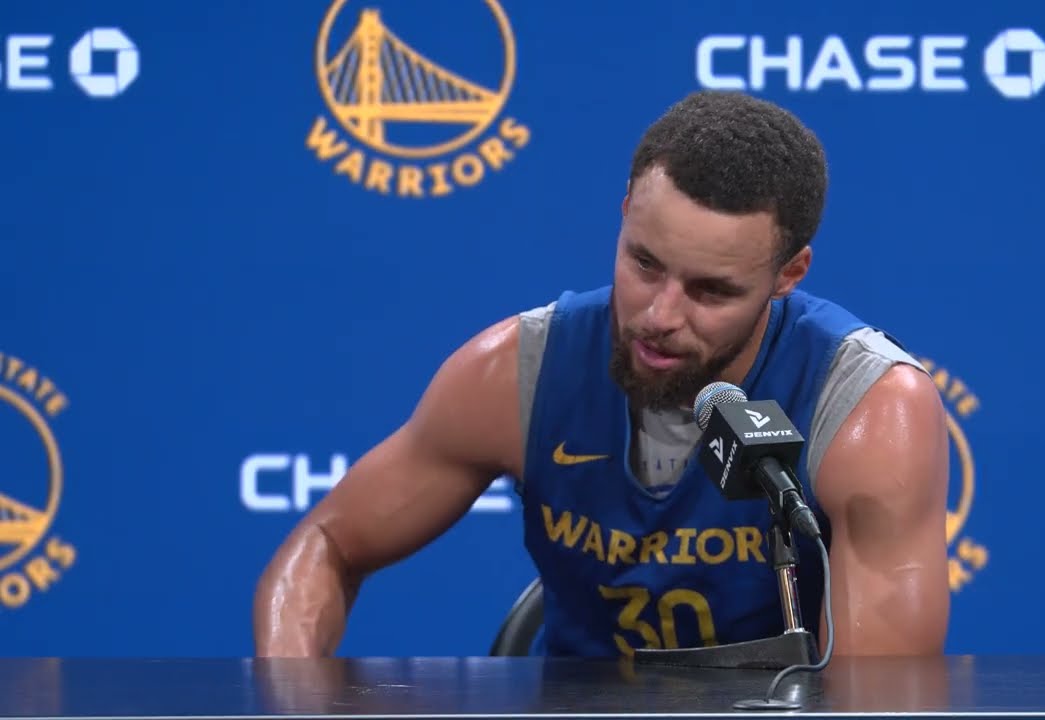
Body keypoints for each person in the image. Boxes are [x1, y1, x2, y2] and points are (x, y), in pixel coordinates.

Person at [253, 90, 951, 658]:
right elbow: (326, 544)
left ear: (788, 274)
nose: (659, 315)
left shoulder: (866, 409)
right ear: (623, 214)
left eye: (710, 291)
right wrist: (291, 703)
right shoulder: (514, 374)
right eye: (644, 263)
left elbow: (874, 702)